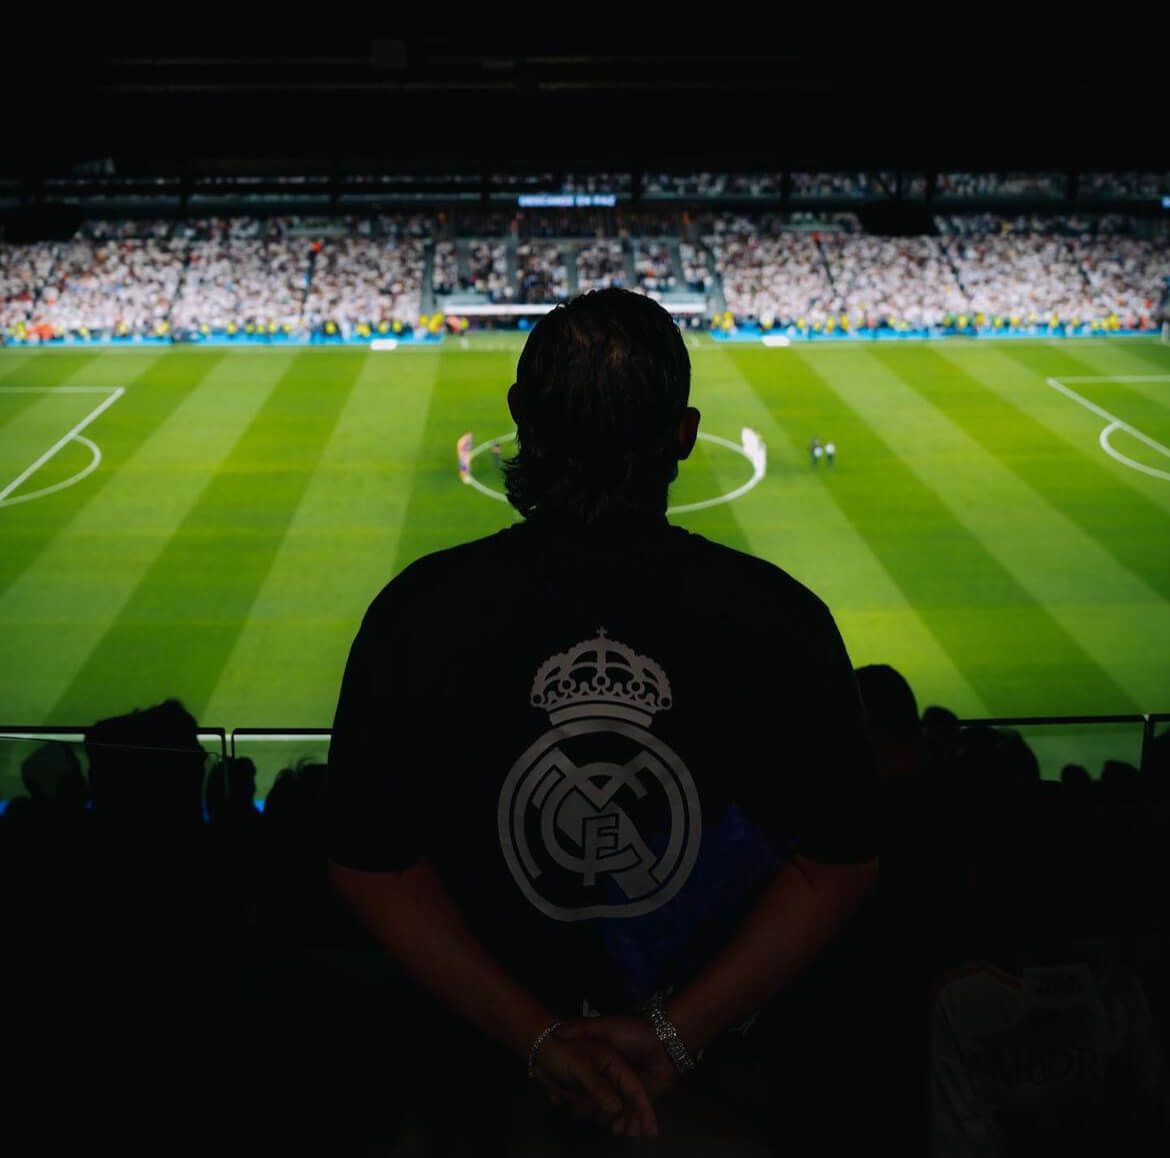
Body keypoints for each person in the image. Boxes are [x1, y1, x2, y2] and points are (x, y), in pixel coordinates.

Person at [326, 288, 878, 1150]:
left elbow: (371, 866)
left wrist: (538, 1038)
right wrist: (673, 1036)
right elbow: (836, 865)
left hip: (474, 1088)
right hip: (710, 1097)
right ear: (685, 434)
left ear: (519, 419)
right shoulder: (782, 620)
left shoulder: (415, 615)